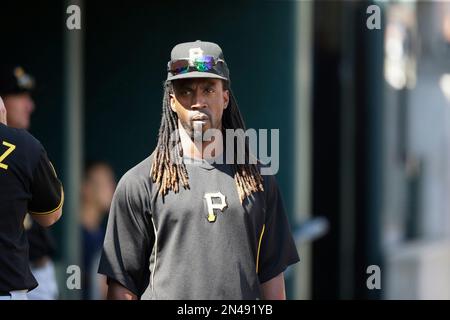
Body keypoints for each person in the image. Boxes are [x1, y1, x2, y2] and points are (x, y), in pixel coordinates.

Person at [98, 40, 299, 300]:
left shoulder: (257, 180)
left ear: (225, 97)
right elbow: (122, 286)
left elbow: (271, 280)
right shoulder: (139, 182)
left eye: (208, 89)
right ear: (171, 101)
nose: (198, 101)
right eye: (186, 91)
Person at [0, 64, 60, 299]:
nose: (29, 105)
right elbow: (51, 216)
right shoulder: (26, 146)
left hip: (34, 272)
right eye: (19, 95)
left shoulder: (28, 148)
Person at [80, 161, 116, 300]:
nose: (112, 188)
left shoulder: (105, 236)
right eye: (106, 183)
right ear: (86, 188)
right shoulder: (72, 237)